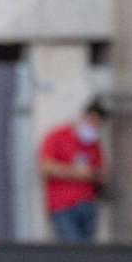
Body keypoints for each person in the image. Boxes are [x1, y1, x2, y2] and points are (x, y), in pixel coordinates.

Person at [39, 100, 107, 244]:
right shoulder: (58, 136)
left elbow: (101, 173)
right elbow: (46, 167)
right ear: (84, 117)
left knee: (88, 251)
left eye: (97, 124)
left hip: (87, 205)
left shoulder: (93, 144)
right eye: (91, 121)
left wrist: (92, 175)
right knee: (71, 249)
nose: (93, 127)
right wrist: (75, 172)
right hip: (63, 206)